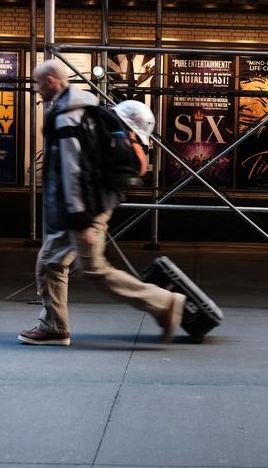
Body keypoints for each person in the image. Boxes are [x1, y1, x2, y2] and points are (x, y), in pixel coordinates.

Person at [19, 58, 187, 346]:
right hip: (78, 207)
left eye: (37, 83)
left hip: (84, 207)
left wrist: (82, 218)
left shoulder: (68, 116)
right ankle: (53, 326)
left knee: (95, 269)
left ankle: (165, 303)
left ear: (51, 82)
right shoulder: (76, 110)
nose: (35, 89)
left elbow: (73, 171)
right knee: (49, 262)